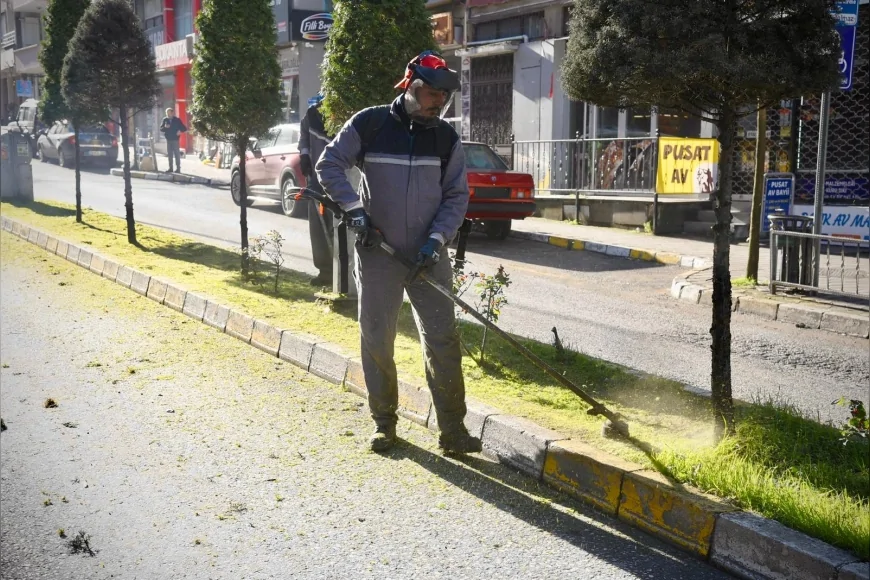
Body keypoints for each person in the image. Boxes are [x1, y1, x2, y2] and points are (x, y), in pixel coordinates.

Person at [316, 51, 481, 454]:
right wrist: (355, 212)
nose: (438, 102)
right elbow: (329, 164)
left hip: (429, 255)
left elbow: (456, 196)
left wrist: (438, 240)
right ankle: (385, 423)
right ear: (411, 86)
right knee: (377, 337)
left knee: (443, 338)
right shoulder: (370, 124)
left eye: (444, 96)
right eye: (432, 93)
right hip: (379, 252)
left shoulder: (445, 139)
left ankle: (453, 431)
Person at [299, 93, 335, 287]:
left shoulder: (344, 116)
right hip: (316, 181)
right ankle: (325, 271)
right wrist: (304, 155)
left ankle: (343, 272)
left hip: (341, 180)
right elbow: (304, 137)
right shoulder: (312, 116)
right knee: (318, 227)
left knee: (340, 228)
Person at [160, 107, 187, 173]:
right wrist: (165, 127)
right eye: (167, 113)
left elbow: (184, 128)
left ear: (172, 113)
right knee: (170, 154)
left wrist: (180, 131)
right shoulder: (165, 119)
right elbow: (161, 129)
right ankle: (170, 168)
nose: (168, 115)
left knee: (177, 154)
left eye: (169, 113)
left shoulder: (177, 120)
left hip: (175, 139)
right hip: (168, 139)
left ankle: (178, 168)